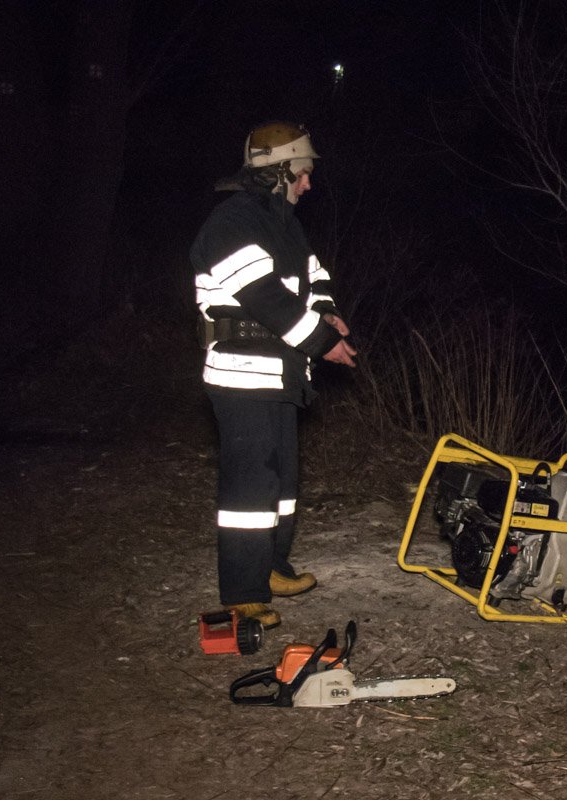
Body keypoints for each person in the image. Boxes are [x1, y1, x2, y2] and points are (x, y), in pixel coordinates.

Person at [190, 121, 357, 628]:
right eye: (302, 173)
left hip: (283, 370)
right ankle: (244, 590)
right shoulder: (231, 222)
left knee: (281, 481)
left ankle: (272, 567)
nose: (309, 184)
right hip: (243, 372)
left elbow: (314, 274)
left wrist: (326, 309)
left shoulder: (283, 221)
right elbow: (264, 297)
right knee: (249, 487)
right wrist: (325, 343)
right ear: (277, 171)